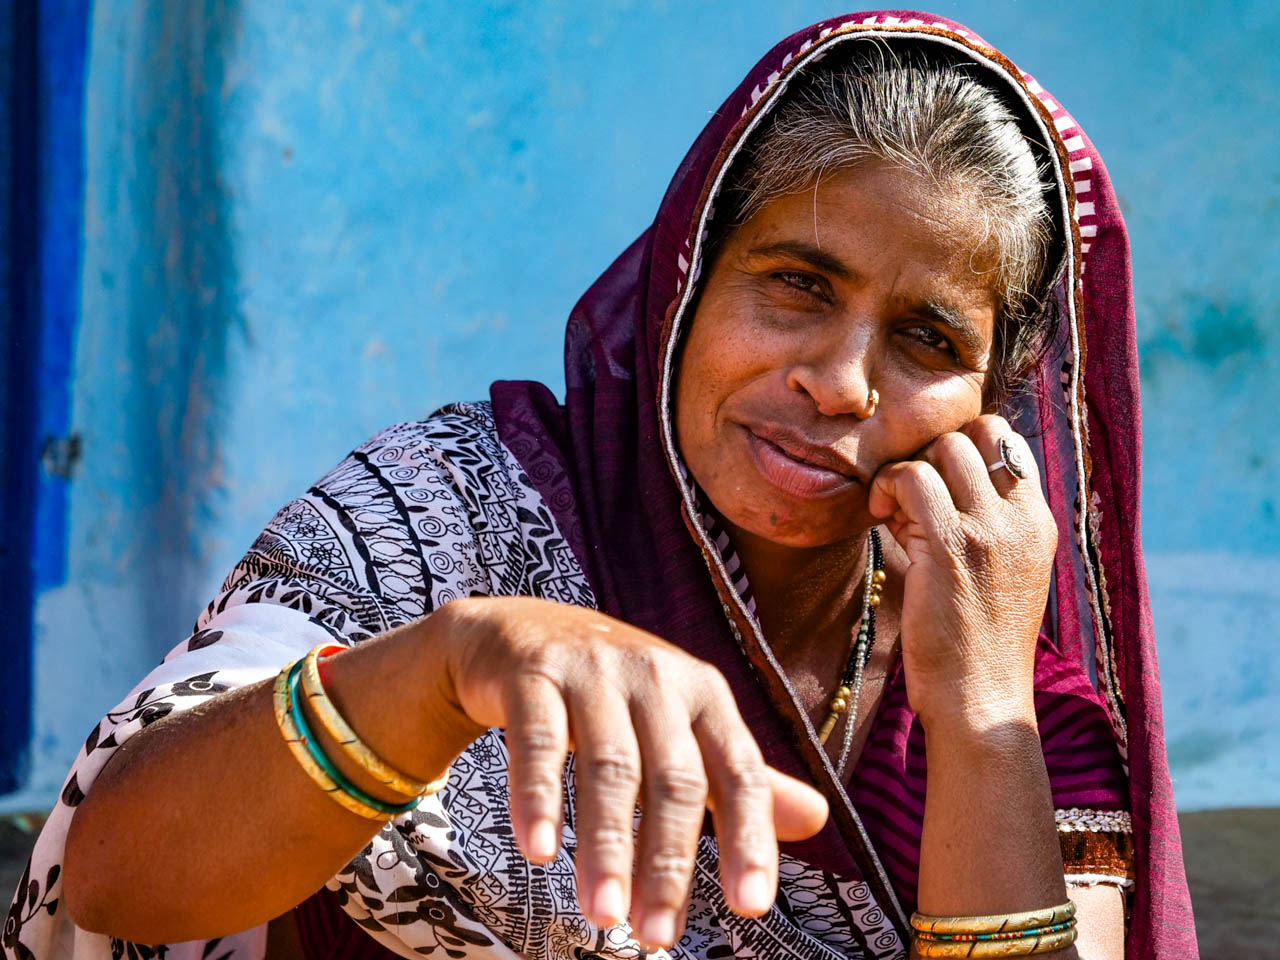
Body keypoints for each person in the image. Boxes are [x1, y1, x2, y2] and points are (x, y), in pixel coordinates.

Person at [4, 11, 1196, 960]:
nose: (838, 382)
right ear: (685, 278)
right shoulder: (451, 519)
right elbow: (113, 877)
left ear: (991, 405)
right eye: (794, 282)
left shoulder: (1002, 698)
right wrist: (447, 666)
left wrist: (983, 719)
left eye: (927, 341)